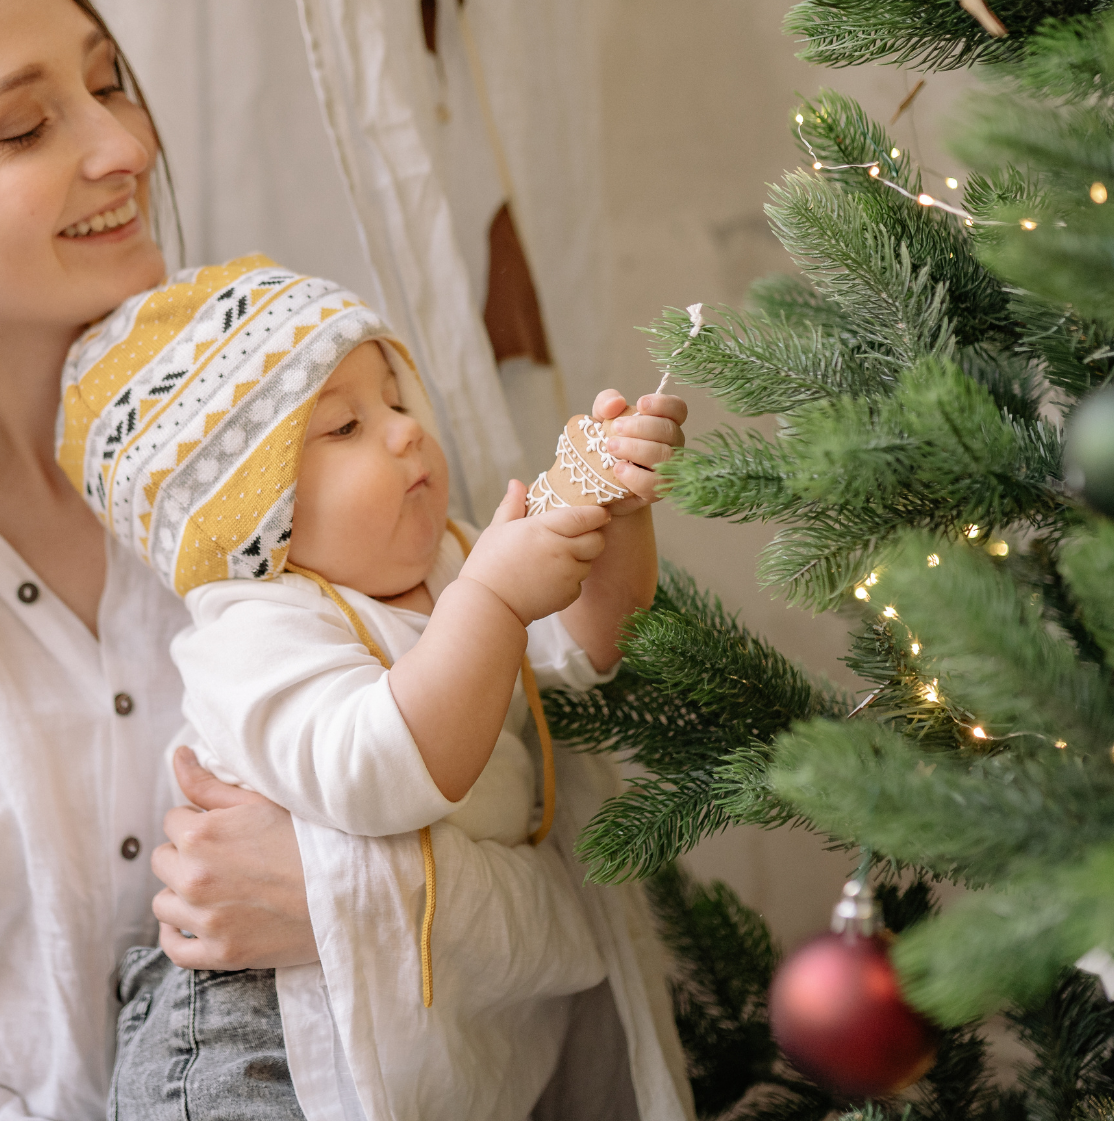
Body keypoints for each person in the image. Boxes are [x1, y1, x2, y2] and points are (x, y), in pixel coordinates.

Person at [0, 0, 692, 1120]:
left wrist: (364, 900)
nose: (121, 147)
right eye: (26, 127)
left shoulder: (319, 461)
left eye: (107, 85)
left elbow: (584, 898)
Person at [57, 256, 689, 1121]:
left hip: (402, 1011)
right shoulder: (252, 628)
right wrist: (494, 599)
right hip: (254, 1042)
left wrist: (617, 517)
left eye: (395, 400)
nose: (403, 432)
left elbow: (588, 648)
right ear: (251, 513)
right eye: (345, 427)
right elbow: (378, 773)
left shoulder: (449, 562)